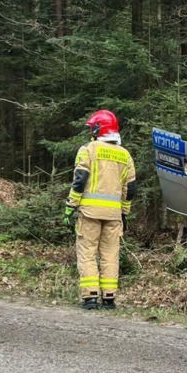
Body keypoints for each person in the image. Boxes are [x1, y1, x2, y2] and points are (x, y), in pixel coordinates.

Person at [63, 110, 137, 310]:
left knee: (87, 253)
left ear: (98, 129)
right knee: (110, 254)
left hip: (90, 213)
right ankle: (109, 297)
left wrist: (71, 206)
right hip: (114, 216)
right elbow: (130, 189)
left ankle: (90, 297)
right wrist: (124, 212)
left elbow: (80, 181)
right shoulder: (125, 155)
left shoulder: (88, 150)